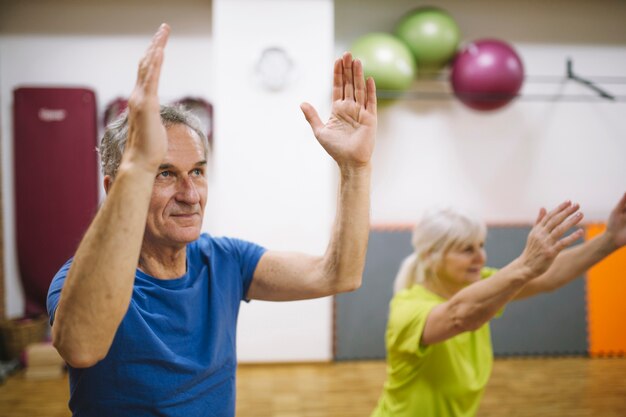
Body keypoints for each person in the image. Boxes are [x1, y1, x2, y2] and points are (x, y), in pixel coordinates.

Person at [47, 23, 377, 416]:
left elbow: (338, 275)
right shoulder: (78, 282)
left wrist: (355, 168)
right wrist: (138, 163)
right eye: (164, 173)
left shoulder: (224, 261)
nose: (190, 194)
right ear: (116, 184)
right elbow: (81, 348)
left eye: (198, 172)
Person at [371, 194, 626, 417]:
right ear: (430, 256)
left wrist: (609, 240)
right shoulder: (406, 309)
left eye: (480, 245)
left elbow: (547, 277)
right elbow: (460, 315)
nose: (480, 256)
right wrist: (525, 265)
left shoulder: (479, 286)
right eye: (465, 249)